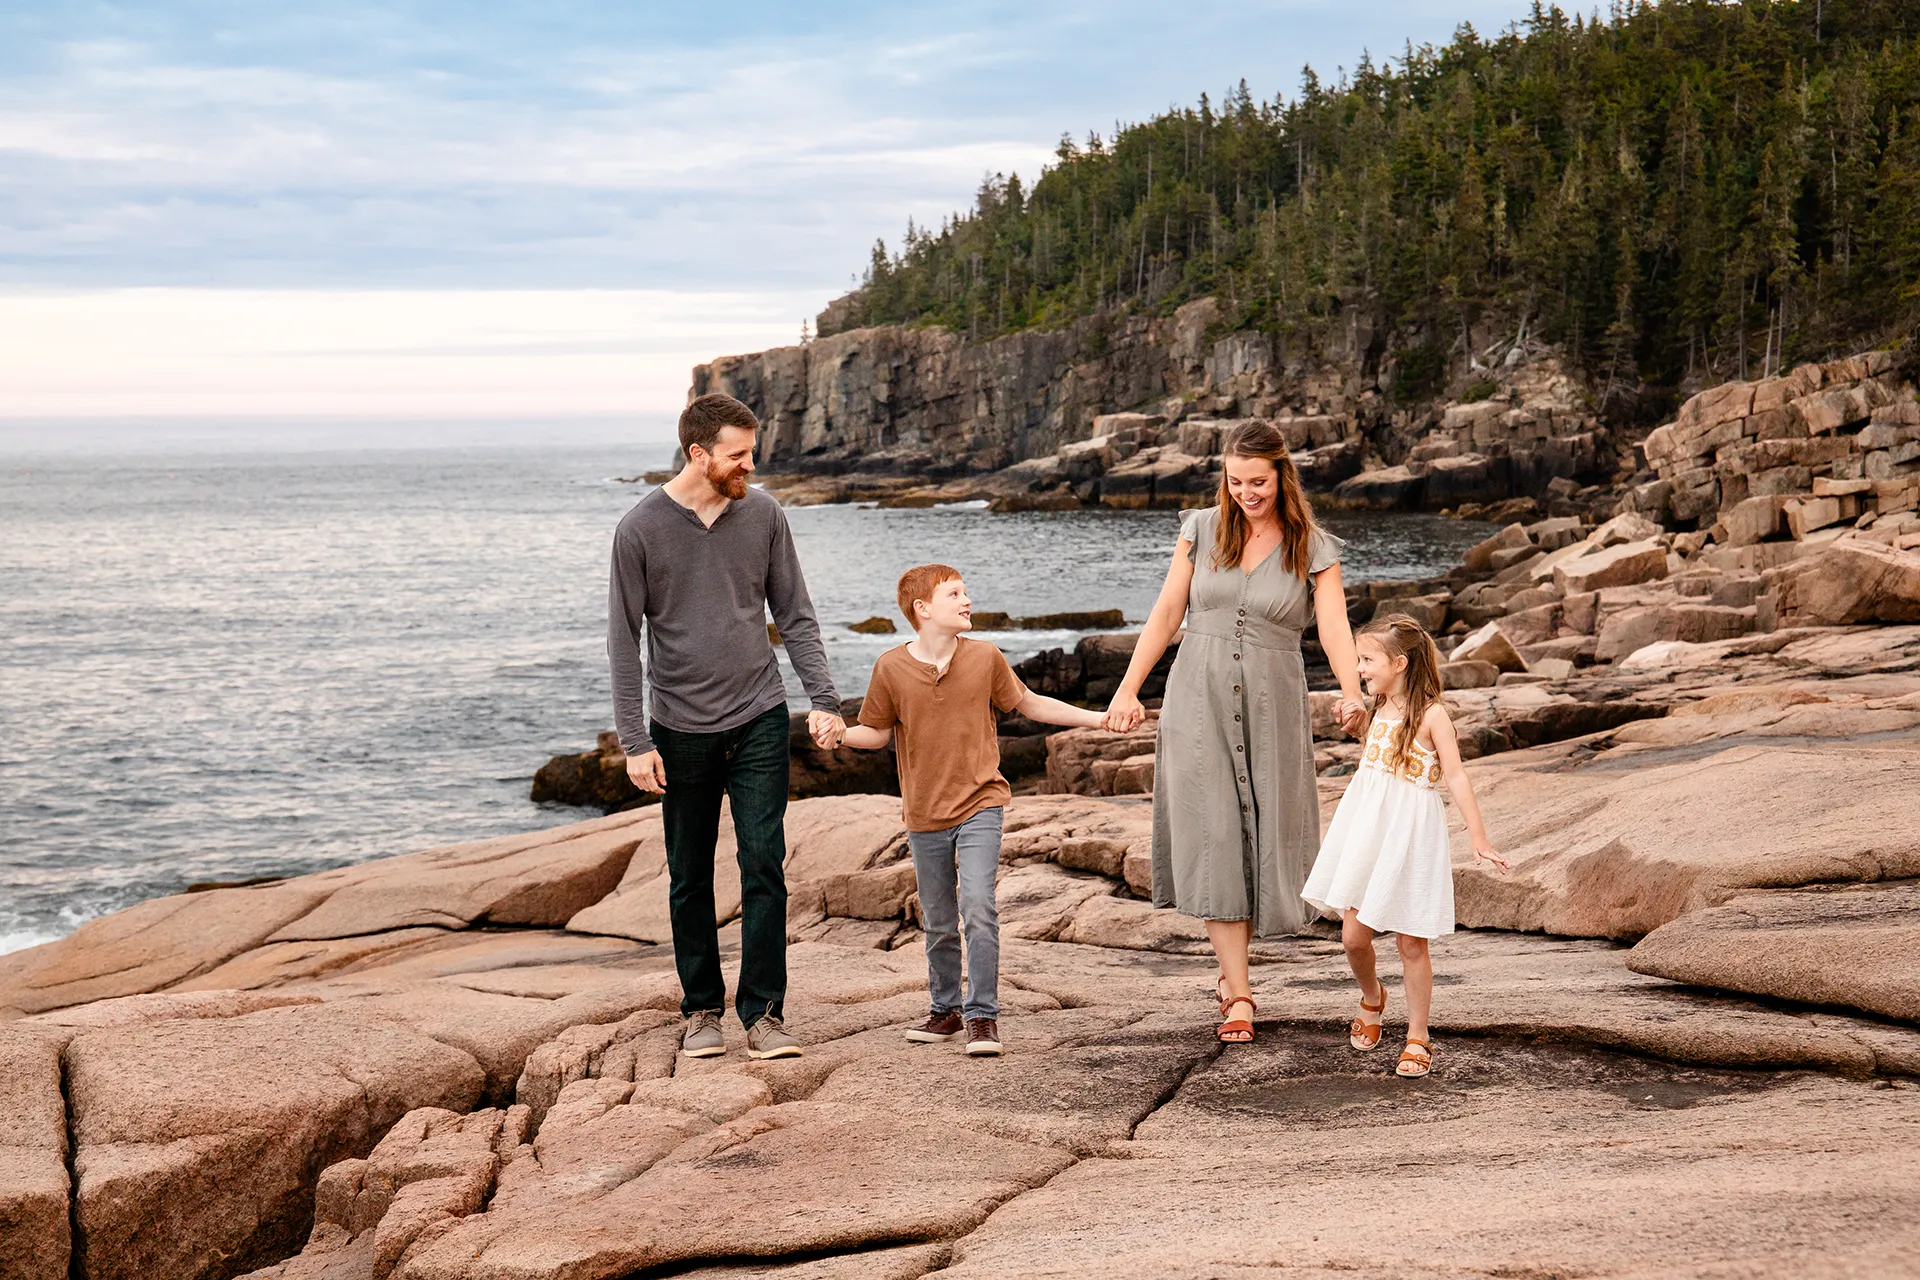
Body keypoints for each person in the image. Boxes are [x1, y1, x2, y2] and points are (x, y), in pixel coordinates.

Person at [1104, 420, 1366, 1045]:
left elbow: (1333, 627)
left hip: (1275, 701)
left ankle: (1240, 979)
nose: (1246, 492)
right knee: (1218, 830)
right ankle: (1239, 992)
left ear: (1282, 476)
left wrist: (1353, 691)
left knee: (1266, 833)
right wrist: (1127, 687)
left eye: (1258, 481)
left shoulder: (1315, 548)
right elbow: (1169, 611)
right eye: (1235, 480)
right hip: (1198, 699)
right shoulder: (1199, 529)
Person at [608, 392, 845, 1061]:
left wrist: (823, 700)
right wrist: (634, 741)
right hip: (678, 728)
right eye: (737, 455)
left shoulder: (763, 513)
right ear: (698, 453)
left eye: (751, 451)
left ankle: (764, 1014)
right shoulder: (640, 529)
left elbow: (795, 614)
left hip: (759, 716)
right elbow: (624, 642)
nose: (750, 464)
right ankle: (702, 1010)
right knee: (688, 874)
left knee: (764, 862)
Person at [818, 565, 1107, 1057]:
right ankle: (945, 1010)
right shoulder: (890, 668)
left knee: (978, 907)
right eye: (955, 593)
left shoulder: (985, 657)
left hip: (982, 803)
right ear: (923, 609)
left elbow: (1031, 704)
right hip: (924, 814)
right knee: (937, 919)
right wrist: (840, 733)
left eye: (966, 592)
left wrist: (1099, 718)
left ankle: (982, 1016)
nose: (967, 600)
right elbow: (877, 733)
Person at [1302, 614, 1507, 1078]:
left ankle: (1418, 1035)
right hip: (1367, 831)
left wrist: (1478, 837)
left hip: (1410, 834)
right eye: (1358, 660)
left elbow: (1455, 775)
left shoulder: (1433, 715)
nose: (1359, 668)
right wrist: (1355, 722)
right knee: (1353, 937)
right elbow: (1376, 755)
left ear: (1399, 663)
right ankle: (1373, 997)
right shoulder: (1376, 708)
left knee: (1411, 941)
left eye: (1367, 660)